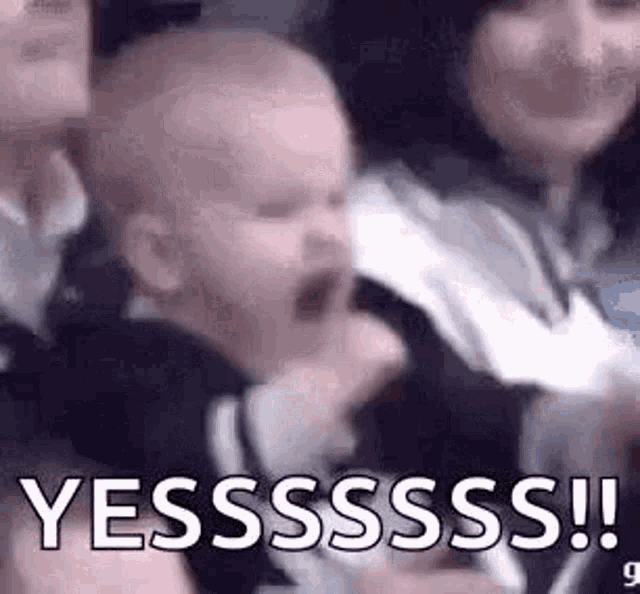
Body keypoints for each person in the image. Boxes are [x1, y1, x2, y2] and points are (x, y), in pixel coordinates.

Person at [81, 28, 506, 593]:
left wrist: (580, 428)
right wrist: (328, 384)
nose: (328, 234)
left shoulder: (371, 313)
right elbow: (211, 476)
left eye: (336, 200)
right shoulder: (119, 370)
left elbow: (478, 416)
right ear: (162, 255)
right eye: (280, 210)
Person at [312, 0, 640, 591]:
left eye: (616, 3)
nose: (584, 53)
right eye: (523, 4)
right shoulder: (356, 258)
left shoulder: (597, 241)